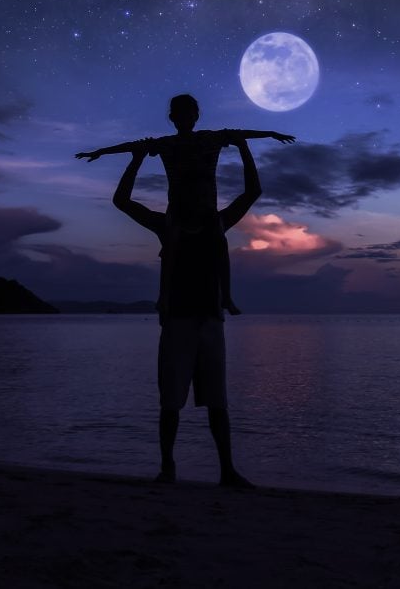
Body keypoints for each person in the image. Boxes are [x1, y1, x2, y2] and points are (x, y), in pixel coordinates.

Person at [111, 135, 261, 486]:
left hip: (210, 320)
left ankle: (227, 471)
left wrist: (243, 147)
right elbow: (122, 201)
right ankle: (167, 468)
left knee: (217, 402)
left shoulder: (216, 225)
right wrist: (136, 160)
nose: (196, 197)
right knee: (171, 402)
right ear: (179, 197)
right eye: (189, 193)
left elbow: (252, 192)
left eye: (201, 192)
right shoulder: (169, 228)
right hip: (178, 321)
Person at [77, 94, 293, 314]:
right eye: (181, 114)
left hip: (205, 215)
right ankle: (171, 297)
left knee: (213, 237)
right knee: (180, 238)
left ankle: (224, 296)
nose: (185, 118)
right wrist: (104, 152)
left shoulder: (209, 139)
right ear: (173, 117)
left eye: (188, 113)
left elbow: (242, 137)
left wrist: (266, 135)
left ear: (195, 116)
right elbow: (132, 148)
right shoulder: (168, 144)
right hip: (180, 214)